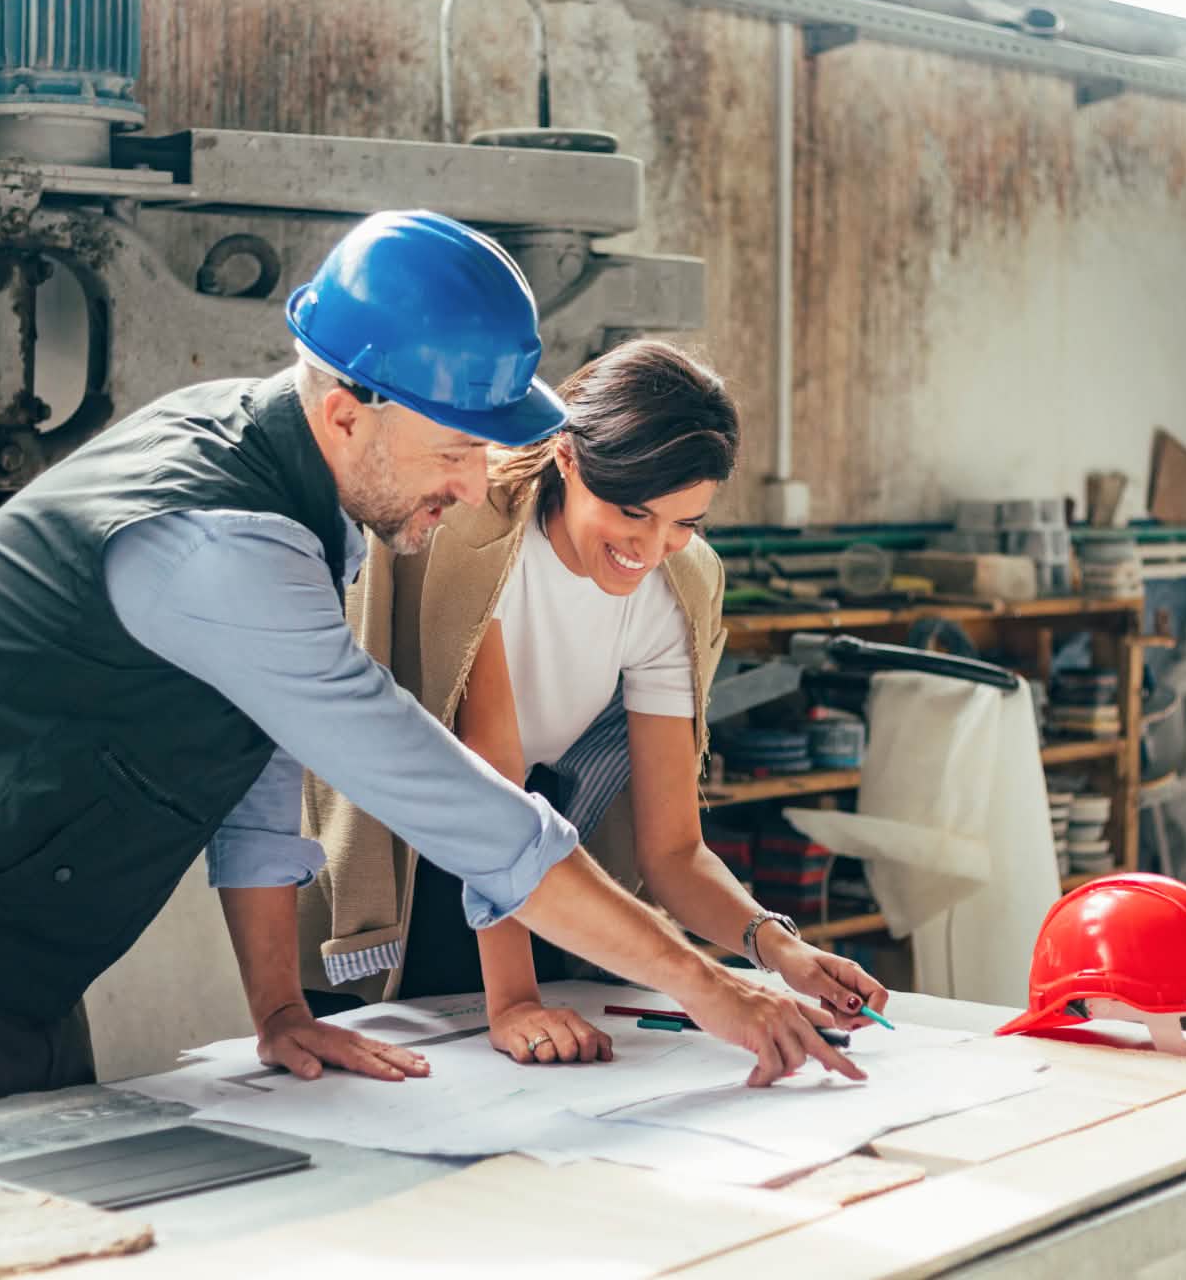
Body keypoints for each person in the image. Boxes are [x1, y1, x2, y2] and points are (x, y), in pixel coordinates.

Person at [0, 210, 866, 1128]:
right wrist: (711, 987)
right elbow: (453, 801)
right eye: (457, 449)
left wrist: (279, 1007)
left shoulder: (292, 484)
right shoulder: (226, 542)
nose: (475, 486)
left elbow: (255, 753)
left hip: (22, 983)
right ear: (349, 415)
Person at [297, 338, 889, 1063]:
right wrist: (514, 1003)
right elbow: (492, 797)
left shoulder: (680, 586)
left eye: (686, 522)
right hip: (418, 864)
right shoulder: (480, 543)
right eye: (633, 511)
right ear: (568, 461)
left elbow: (671, 850)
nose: (653, 546)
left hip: (540, 869)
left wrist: (778, 948)